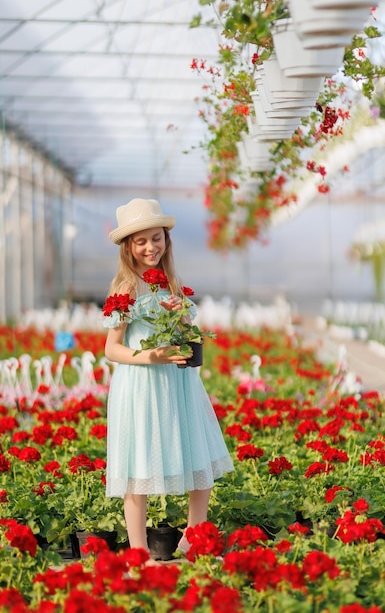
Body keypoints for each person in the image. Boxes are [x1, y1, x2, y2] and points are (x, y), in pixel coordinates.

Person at [103, 198, 234, 563]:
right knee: (136, 468)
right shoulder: (125, 289)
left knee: (199, 456)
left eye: (156, 238)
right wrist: (152, 356)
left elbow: (191, 339)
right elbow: (112, 349)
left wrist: (183, 320)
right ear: (128, 246)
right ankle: (139, 554)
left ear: (166, 240)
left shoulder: (172, 286)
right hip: (142, 387)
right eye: (141, 241)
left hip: (178, 385)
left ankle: (193, 538)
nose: (150, 247)